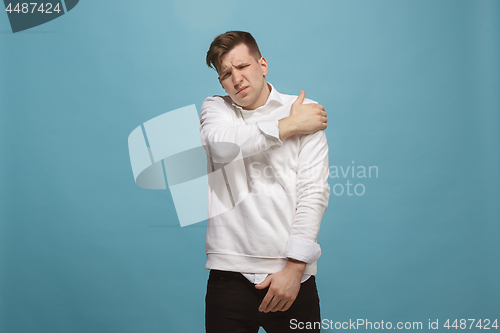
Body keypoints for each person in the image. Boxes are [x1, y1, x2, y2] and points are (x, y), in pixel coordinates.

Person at [199, 30, 330, 333]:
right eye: (226, 74)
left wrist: (295, 269)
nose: (236, 79)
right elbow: (222, 146)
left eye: (243, 66)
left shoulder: (303, 108)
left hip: (291, 277)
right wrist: (289, 125)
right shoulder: (216, 109)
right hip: (228, 277)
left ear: (262, 64)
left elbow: (313, 193)